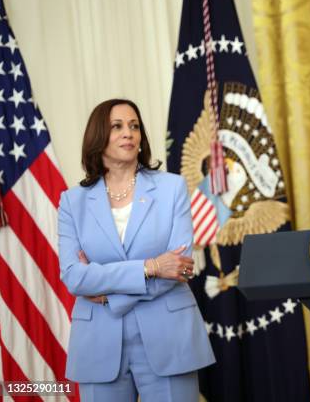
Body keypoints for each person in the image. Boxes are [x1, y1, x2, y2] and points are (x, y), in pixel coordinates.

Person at [58, 99, 215, 401]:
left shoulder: (172, 188)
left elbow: (177, 268)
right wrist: (151, 266)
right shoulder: (71, 201)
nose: (128, 133)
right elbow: (74, 277)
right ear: (97, 136)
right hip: (98, 344)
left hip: (169, 338)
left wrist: (106, 289)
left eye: (134, 126)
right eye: (117, 126)